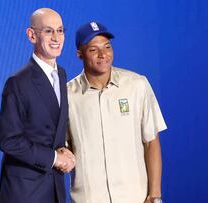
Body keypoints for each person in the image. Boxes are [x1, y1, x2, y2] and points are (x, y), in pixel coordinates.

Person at [67, 22, 167, 203]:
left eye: (107, 47)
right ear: (79, 54)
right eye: (93, 50)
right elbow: (62, 148)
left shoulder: (137, 85)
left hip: (135, 198)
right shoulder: (67, 96)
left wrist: (155, 195)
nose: (103, 55)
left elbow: (151, 142)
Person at [0, 8, 75, 203]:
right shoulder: (17, 82)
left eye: (60, 30)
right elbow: (9, 140)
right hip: (25, 192)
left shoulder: (62, 74)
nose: (56, 37)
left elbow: (50, 128)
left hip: (54, 188)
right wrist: (55, 159)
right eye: (48, 31)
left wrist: (65, 150)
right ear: (32, 35)